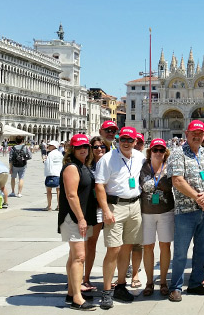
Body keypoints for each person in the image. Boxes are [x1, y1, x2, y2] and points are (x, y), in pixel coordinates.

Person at [168, 120, 204, 302]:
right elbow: (177, 180)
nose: (197, 136)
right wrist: (198, 198)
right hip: (186, 211)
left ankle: (196, 284)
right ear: (186, 133)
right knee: (181, 251)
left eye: (200, 133)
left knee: (203, 249)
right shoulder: (177, 154)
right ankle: (175, 287)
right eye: (194, 133)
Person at [94, 127, 146, 309]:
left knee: (127, 247)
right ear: (118, 140)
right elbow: (99, 186)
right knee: (113, 249)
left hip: (135, 205)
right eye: (123, 139)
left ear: (135, 142)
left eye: (129, 140)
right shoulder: (107, 159)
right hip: (115, 206)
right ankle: (107, 291)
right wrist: (106, 211)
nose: (126, 143)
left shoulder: (139, 157)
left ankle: (121, 285)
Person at [57, 134, 98, 311]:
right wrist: (81, 219)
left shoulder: (84, 166)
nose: (84, 149)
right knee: (80, 256)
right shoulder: (72, 168)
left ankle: (71, 291)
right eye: (79, 147)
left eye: (86, 147)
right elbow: (71, 195)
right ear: (72, 149)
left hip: (81, 216)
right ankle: (77, 298)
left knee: (74, 255)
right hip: (74, 218)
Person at [139, 138, 174, 297]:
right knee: (148, 247)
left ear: (165, 152)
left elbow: (172, 185)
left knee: (165, 246)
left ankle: (164, 281)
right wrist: (158, 181)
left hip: (166, 211)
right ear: (150, 151)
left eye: (161, 150)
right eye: (155, 150)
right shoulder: (142, 167)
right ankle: (149, 282)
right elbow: (144, 186)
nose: (158, 153)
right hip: (146, 212)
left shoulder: (170, 167)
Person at [83, 136, 108, 293]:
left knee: (110, 244)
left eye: (102, 147)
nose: (100, 149)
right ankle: (84, 278)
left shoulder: (108, 164)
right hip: (92, 209)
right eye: (96, 147)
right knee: (88, 244)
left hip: (107, 208)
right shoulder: (86, 166)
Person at [129, 132, 146, 290]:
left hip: (140, 204)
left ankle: (135, 272)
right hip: (124, 204)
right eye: (137, 142)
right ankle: (124, 269)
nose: (138, 145)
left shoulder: (143, 159)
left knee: (137, 241)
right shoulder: (121, 157)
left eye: (140, 142)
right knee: (122, 242)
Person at [43, 141, 63, 211]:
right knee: (58, 190)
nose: (49, 146)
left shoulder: (51, 154)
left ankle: (49, 206)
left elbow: (48, 164)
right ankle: (59, 206)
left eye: (50, 145)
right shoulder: (60, 153)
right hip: (59, 173)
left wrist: (48, 173)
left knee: (49, 190)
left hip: (51, 173)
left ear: (54, 146)